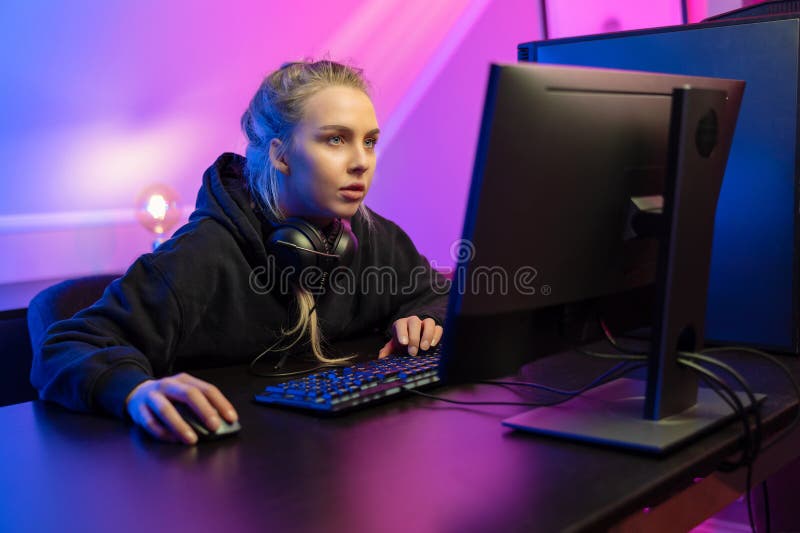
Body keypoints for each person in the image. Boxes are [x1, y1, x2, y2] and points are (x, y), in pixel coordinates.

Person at [30, 60, 449, 445]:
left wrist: (426, 317)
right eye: (336, 139)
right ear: (281, 155)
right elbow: (66, 345)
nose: (362, 162)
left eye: (370, 142)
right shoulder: (205, 252)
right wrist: (136, 390)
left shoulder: (369, 236)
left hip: (324, 451)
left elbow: (440, 292)